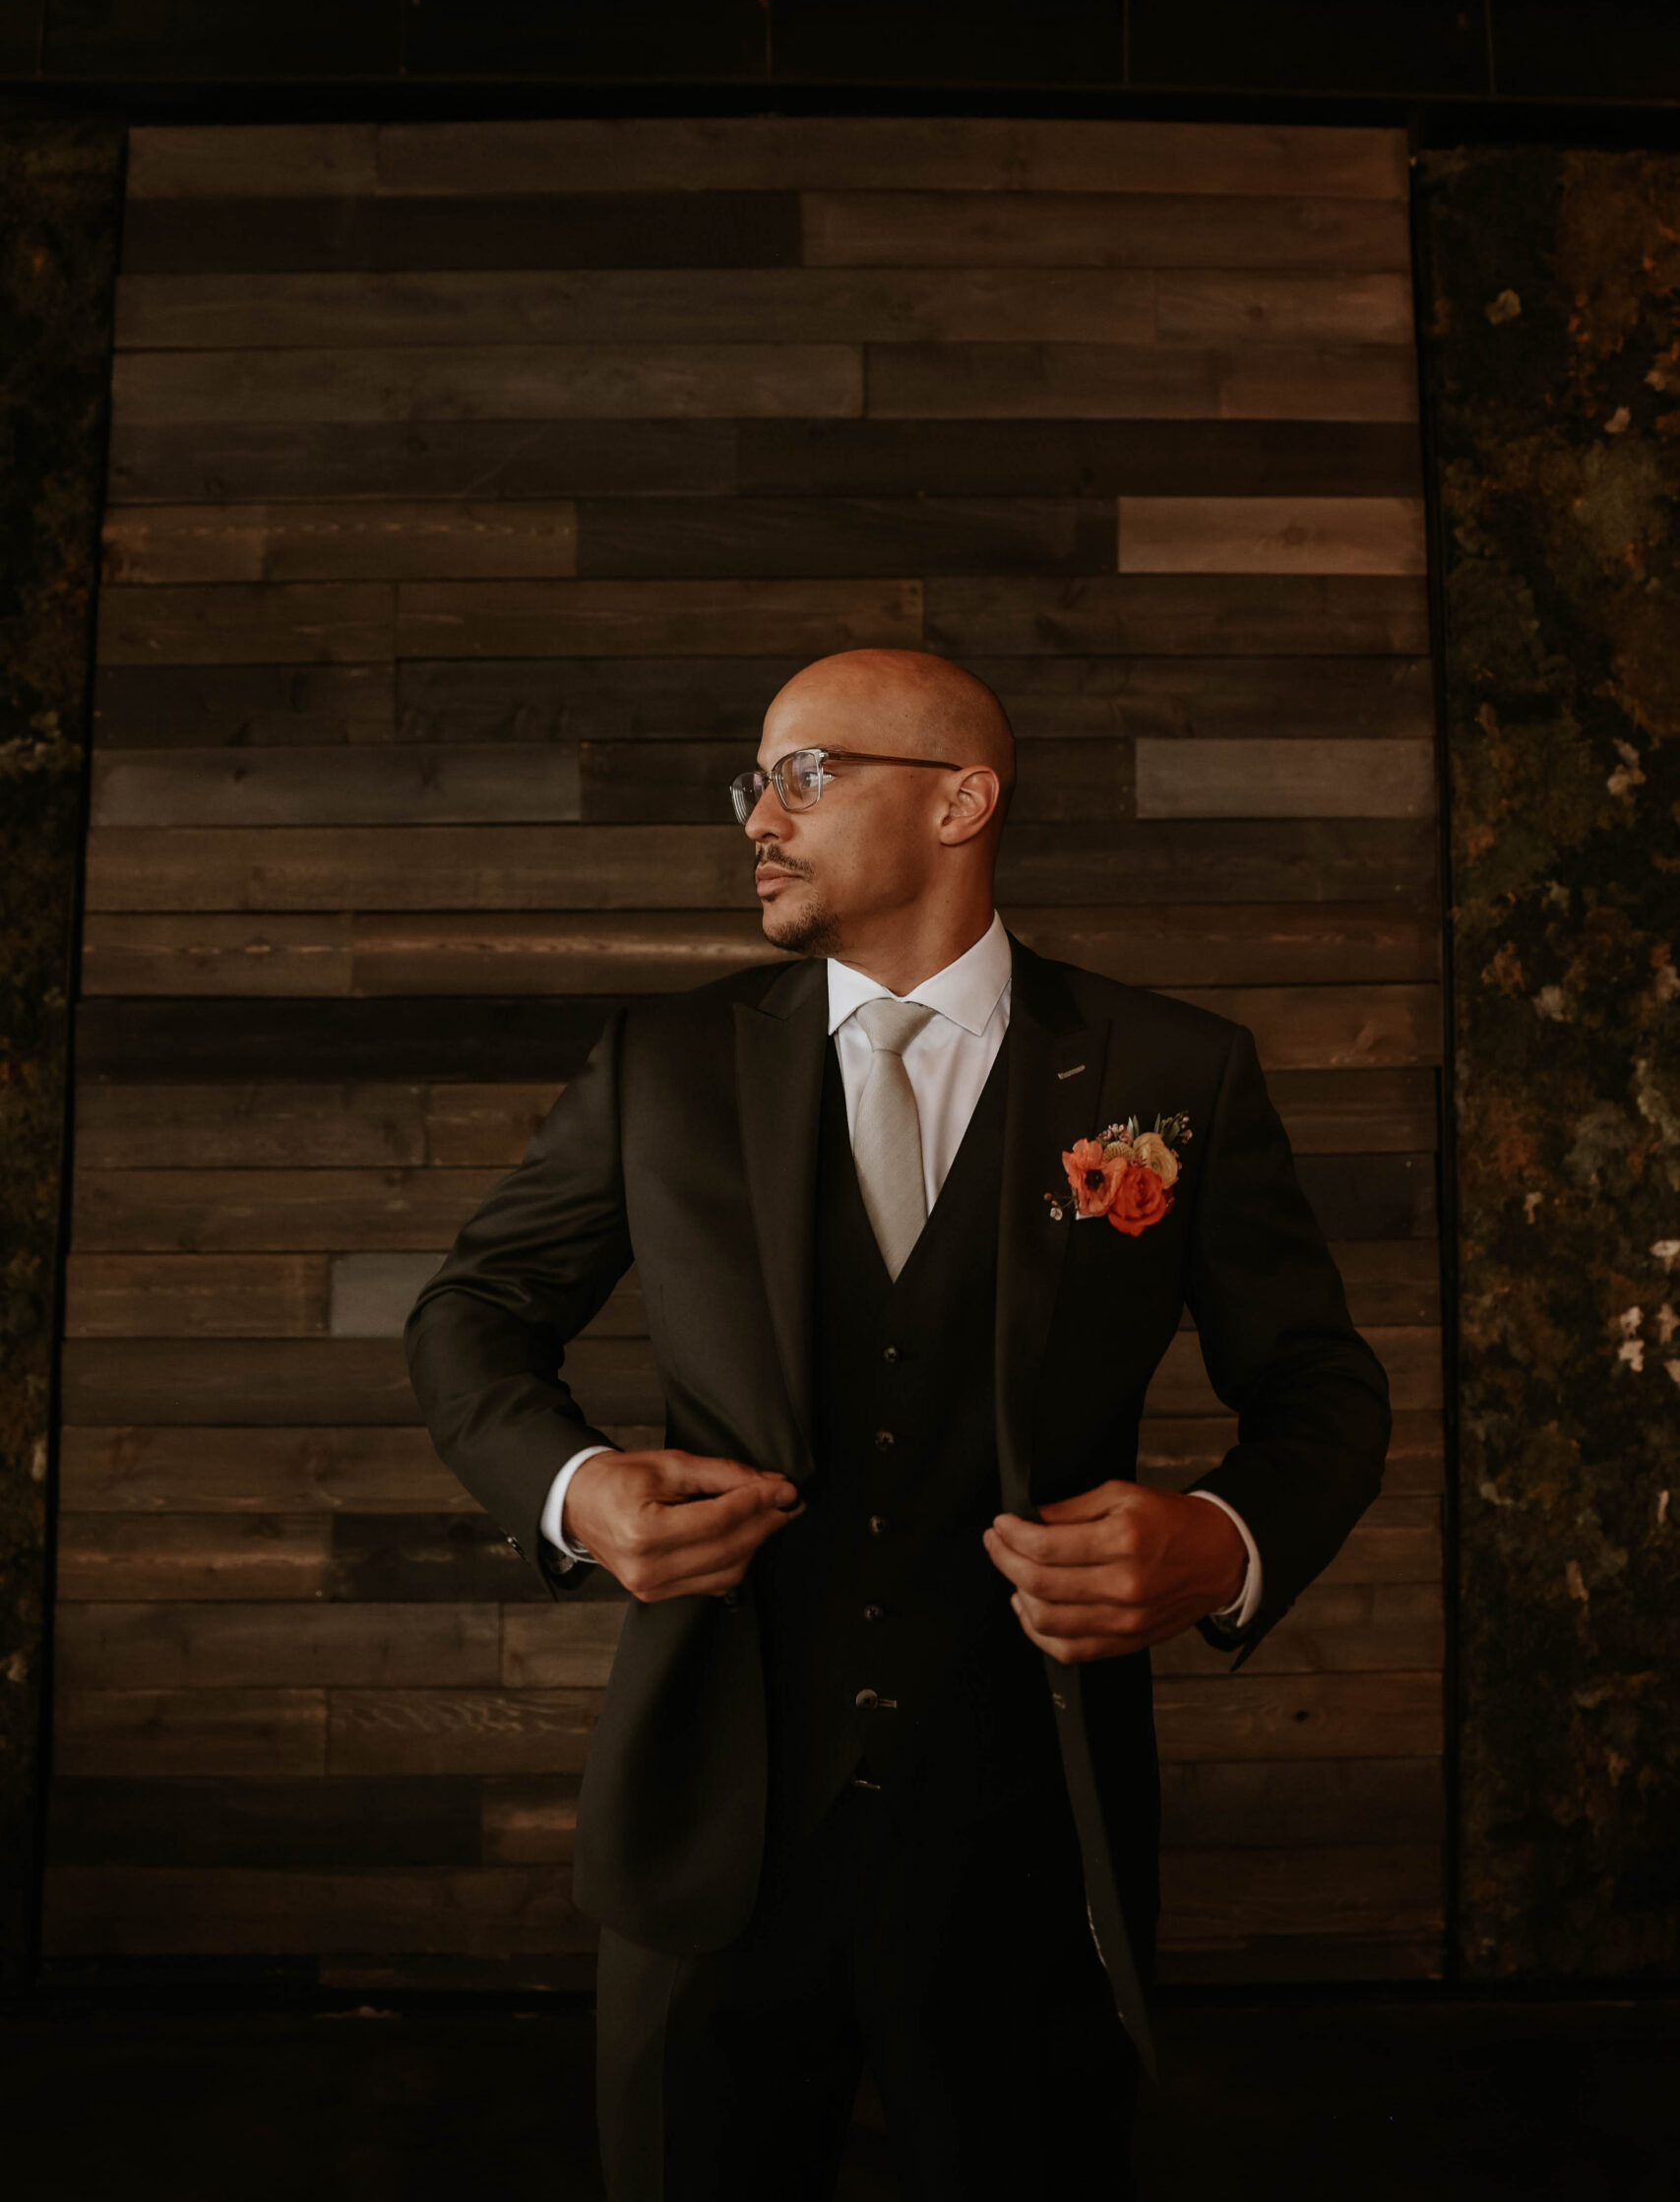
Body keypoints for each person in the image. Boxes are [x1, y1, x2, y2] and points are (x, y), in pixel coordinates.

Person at [405, 647, 1392, 2201]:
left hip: (1025, 1836)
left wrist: (1224, 1538)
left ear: (962, 801)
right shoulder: (664, 1063)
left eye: (805, 773)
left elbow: (1325, 1385)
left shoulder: (1168, 1071)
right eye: (754, 783)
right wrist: (575, 1490)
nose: (759, 818)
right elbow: (470, 1312)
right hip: (714, 1829)